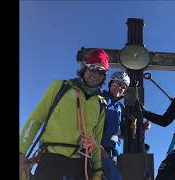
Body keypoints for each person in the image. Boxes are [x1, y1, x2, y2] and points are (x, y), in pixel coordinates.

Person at [19, 48, 110, 180]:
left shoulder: (101, 104)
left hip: (80, 163)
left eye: (101, 72)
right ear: (85, 68)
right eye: (93, 68)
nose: (96, 74)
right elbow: (36, 119)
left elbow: (96, 139)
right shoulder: (60, 87)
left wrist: (97, 169)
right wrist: (21, 152)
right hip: (51, 159)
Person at [101, 71, 151, 180]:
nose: (119, 88)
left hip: (113, 153)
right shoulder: (100, 100)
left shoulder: (120, 108)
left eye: (123, 86)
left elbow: (123, 132)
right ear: (110, 84)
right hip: (98, 149)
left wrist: (141, 127)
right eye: (116, 83)